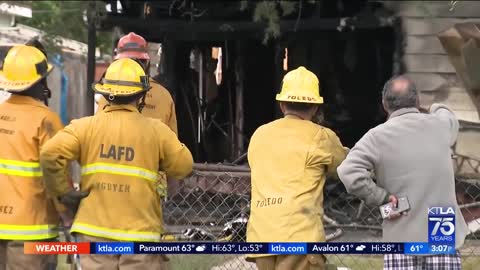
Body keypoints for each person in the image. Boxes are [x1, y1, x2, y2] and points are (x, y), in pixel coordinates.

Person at [39, 58, 193, 269]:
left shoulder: (84, 128)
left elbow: (49, 154)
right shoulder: (157, 131)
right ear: (141, 95)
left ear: (105, 94)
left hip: (94, 233)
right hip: (141, 235)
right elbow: (184, 166)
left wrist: (63, 192)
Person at [337, 75, 469, 269]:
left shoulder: (376, 137)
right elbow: (446, 113)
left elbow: (348, 172)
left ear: (384, 104)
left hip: (401, 232)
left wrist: (382, 198)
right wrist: (433, 108)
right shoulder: (441, 126)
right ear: (417, 100)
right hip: (440, 228)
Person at [246, 66, 348, 270]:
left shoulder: (259, 135)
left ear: (282, 105)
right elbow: (345, 167)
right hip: (299, 238)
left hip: (262, 239)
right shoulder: (321, 136)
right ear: (315, 108)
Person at [0, 45, 67, 270]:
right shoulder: (46, 120)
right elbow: (56, 174)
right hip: (32, 231)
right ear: (40, 82)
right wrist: (66, 213)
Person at [97, 32, 178, 199]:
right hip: (152, 188)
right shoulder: (163, 95)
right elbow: (173, 151)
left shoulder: (107, 94)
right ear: (146, 61)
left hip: (114, 185)